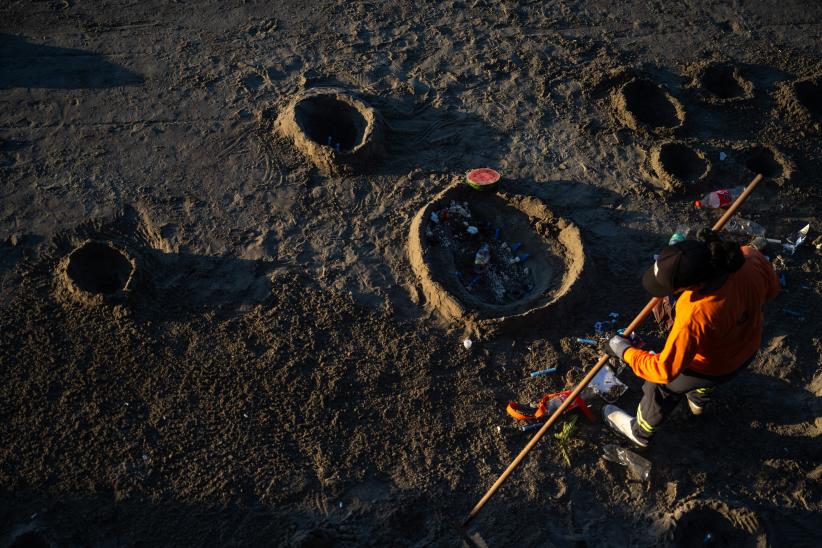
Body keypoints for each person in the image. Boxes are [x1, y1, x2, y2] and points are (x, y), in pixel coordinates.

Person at [602, 229, 780, 447]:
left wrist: (624, 351)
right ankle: (698, 400)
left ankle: (640, 432)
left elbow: (665, 370)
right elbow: (772, 290)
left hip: (712, 367)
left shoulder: (696, 312)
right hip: (747, 346)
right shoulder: (749, 257)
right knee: (707, 369)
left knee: (659, 387)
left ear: (691, 287)